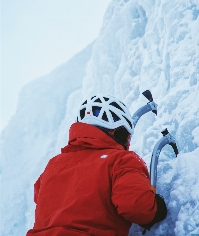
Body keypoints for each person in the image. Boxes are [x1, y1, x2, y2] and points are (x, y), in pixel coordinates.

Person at [26, 95, 167, 236]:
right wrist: (155, 209)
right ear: (116, 132)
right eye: (125, 136)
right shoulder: (121, 160)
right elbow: (136, 206)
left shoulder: (53, 164)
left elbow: (40, 197)